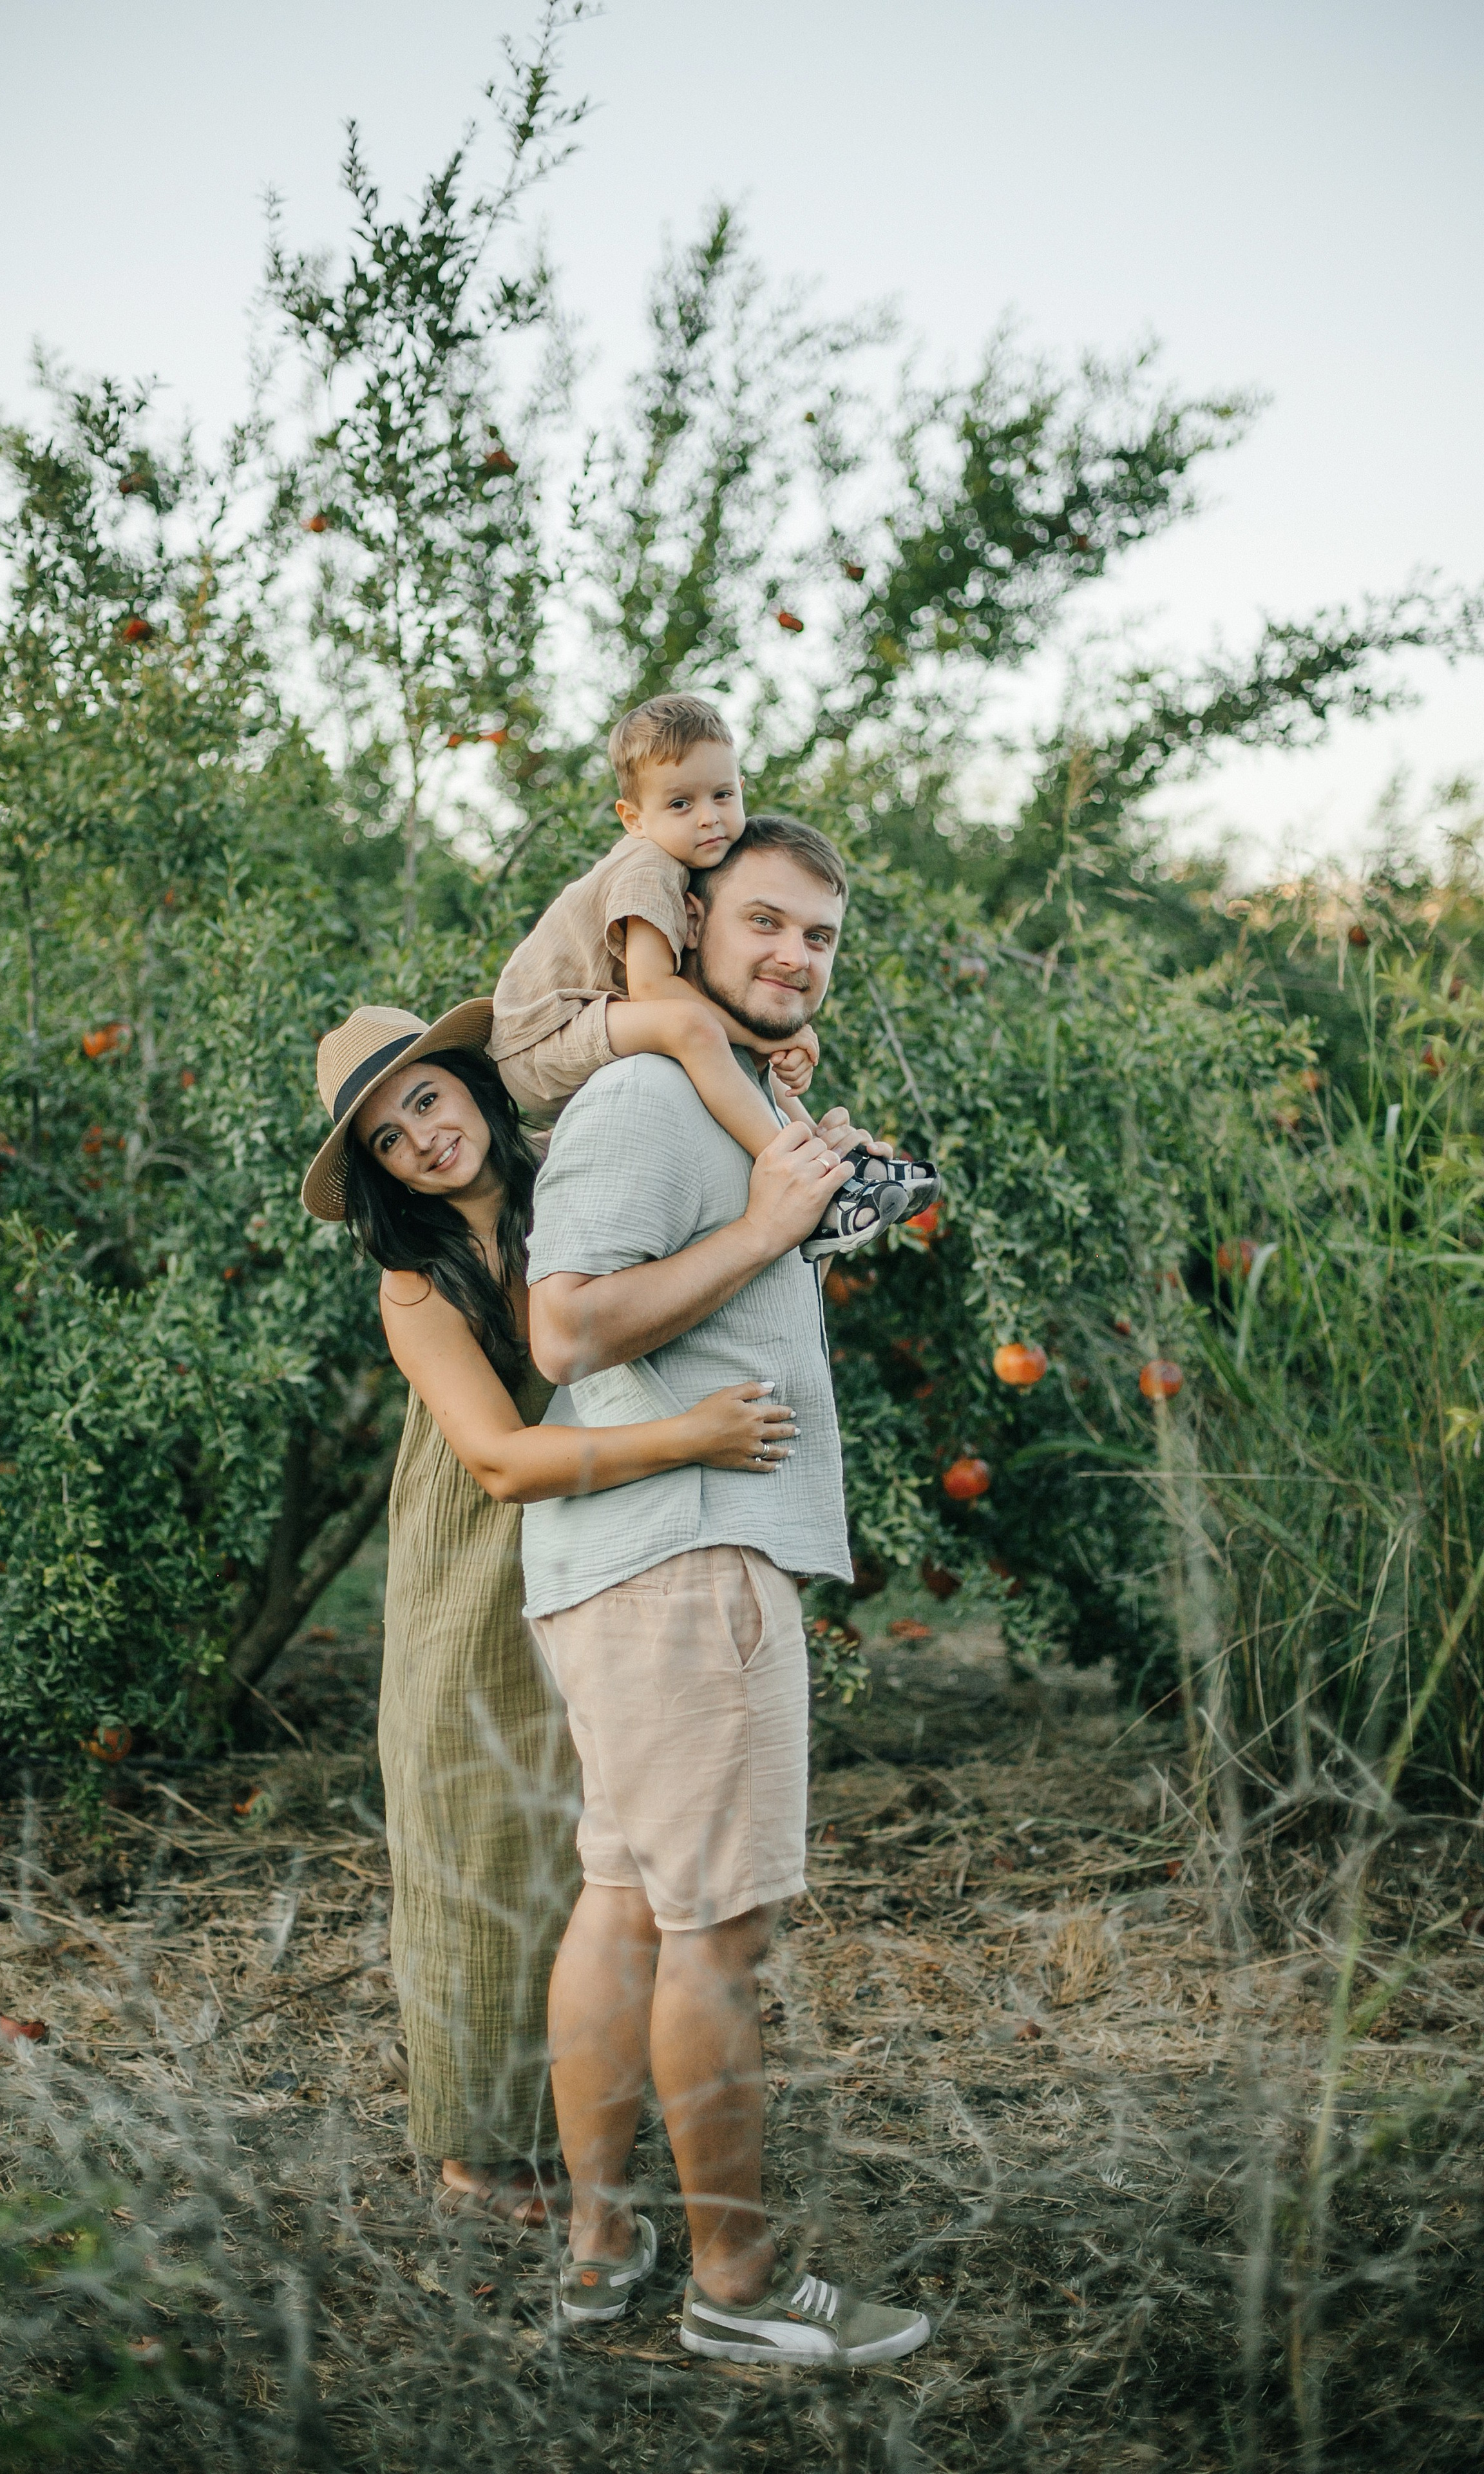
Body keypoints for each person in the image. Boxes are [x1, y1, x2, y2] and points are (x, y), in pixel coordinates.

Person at [524, 813, 932, 2364]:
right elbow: (566, 1329)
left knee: (625, 1901)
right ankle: (738, 2291)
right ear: (685, 926)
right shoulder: (643, 1094)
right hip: (687, 1563)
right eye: (760, 922)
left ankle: (596, 2239)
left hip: (632, 1565)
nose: (789, 955)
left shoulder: (739, 1100)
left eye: (816, 937)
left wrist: (793, 1198)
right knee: (718, 1933)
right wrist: (766, 1221)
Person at [299, 1001, 802, 2227]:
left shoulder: (574, 1177)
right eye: (385, 1136)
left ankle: (589, 2124)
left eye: (426, 1097)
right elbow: (502, 1462)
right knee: (482, 1839)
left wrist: (776, 1067)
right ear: (376, 1175)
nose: (420, 1136)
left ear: (469, 1083)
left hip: (608, 1550)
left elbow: (691, 1084)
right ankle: (480, 2140)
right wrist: (694, 1435)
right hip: (479, 1570)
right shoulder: (417, 1285)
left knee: (598, 1843)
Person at [489, 693, 937, 1260]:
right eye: (680, 803)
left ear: (741, 788)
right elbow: (653, 990)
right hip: (537, 1038)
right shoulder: (649, 865)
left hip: (579, 1024)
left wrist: (760, 1048)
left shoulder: (682, 863)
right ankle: (807, 1185)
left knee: (726, 1049)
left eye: (722, 795)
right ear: (634, 819)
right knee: (695, 1029)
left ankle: (830, 1163)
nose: (708, 817)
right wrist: (769, 1035)